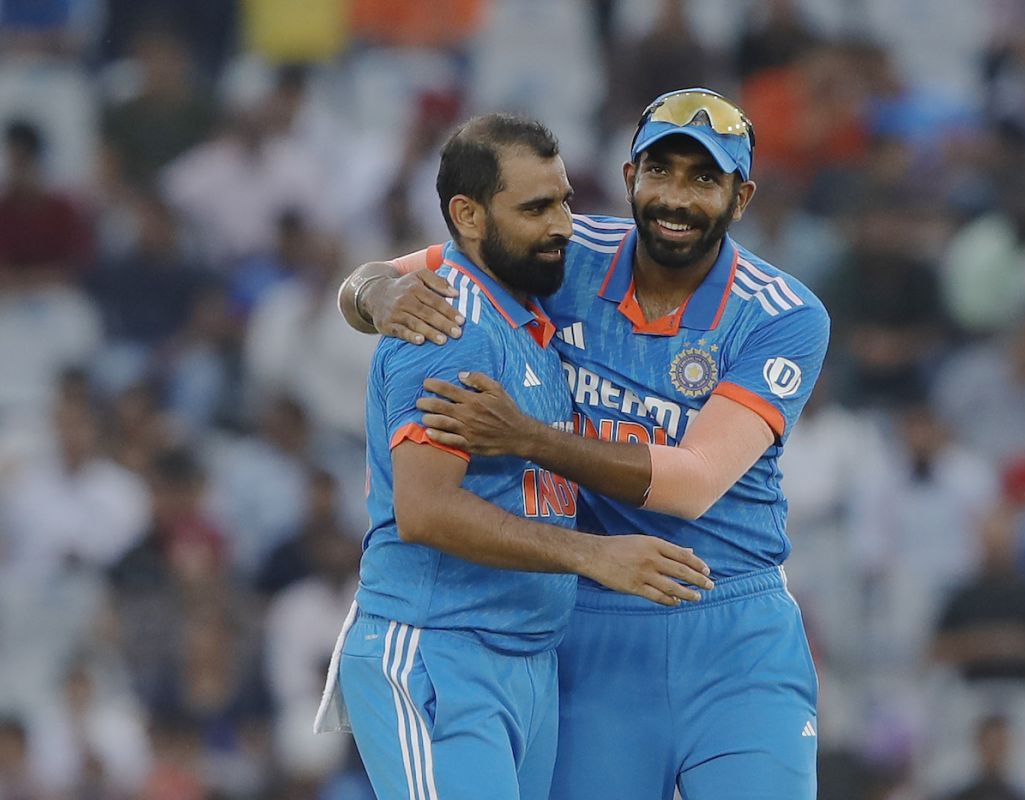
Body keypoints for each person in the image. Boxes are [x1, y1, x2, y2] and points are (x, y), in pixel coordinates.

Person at [340, 89, 831, 799]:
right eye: (660, 170)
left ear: (742, 195)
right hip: (589, 622)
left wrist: (527, 437)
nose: (676, 197)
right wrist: (376, 297)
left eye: (704, 178)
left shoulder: (782, 314)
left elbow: (692, 482)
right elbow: (399, 276)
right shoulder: (563, 250)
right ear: (629, 176)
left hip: (734, 626)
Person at [314, 113, 712, 800]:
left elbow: (366, 286)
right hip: (439, 646)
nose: (561, 225)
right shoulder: (450, 325)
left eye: (564, 200)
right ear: (467, 216)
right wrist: (593, 555)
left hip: (523, 659)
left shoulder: (525, 322)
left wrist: (369, 288)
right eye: (535, 208)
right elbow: (426, 511)